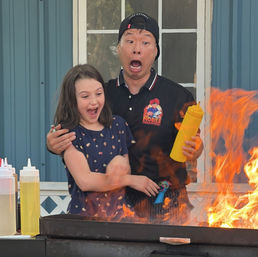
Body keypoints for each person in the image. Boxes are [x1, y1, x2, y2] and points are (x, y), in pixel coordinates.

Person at [47, 12, 203, 224]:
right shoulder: (102, 95)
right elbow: (71, 133)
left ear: (155, 50)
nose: (136, 48)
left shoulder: (178, 96)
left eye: (145, 42)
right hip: (115, 205)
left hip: (167, 202)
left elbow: (194, 146)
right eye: (129, 41)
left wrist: (196, 148)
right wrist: (52, 143)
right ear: (118, 48)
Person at [53, 63, 159, 219]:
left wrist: (119, 164)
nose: (94, 101)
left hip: (121, 217)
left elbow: (125, 166)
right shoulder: (69, 133)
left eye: (98, 93)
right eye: (85, 96)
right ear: (71, 100)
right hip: (85, 219)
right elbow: (85, 181)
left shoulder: (118, 125)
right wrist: (130, 180)